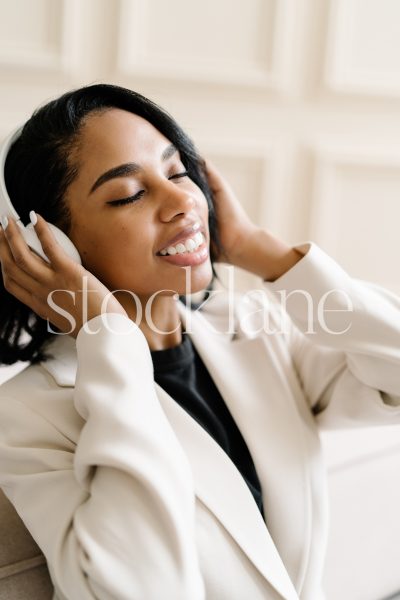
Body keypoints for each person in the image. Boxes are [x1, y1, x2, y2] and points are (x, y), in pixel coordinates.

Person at [0, 83, 399, 600]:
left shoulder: (251, 331)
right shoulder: (29, 417)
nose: (182, 202)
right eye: (129, 195)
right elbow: (138, 586)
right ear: (50, 247)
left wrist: (262, 251)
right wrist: (109, 337)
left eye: (178, 172)